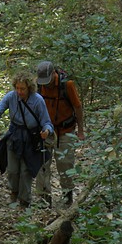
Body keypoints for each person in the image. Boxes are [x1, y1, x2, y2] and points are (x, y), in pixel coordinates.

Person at [0, 71, 53, 209]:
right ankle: (14, 193)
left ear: (29, 88)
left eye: (22, 89)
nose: (19, 91)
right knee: (13, 170)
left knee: (26, 171)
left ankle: (25, 201)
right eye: (17, 88)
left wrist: (46, 131)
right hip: (14, 136)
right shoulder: (11, 97)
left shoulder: (38, 100)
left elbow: (47, 122)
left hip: (31, 139)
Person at [35, 60, 85, 207]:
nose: (46, 84)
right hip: (45, 131)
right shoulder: (39, 86)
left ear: (53, 74)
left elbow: (77, 107)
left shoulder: (67, 85)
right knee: (42, 164)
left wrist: (80, 131)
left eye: (48, 81)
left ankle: (67, 195)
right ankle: (44, 198)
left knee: (65, 164)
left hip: (65, 130)